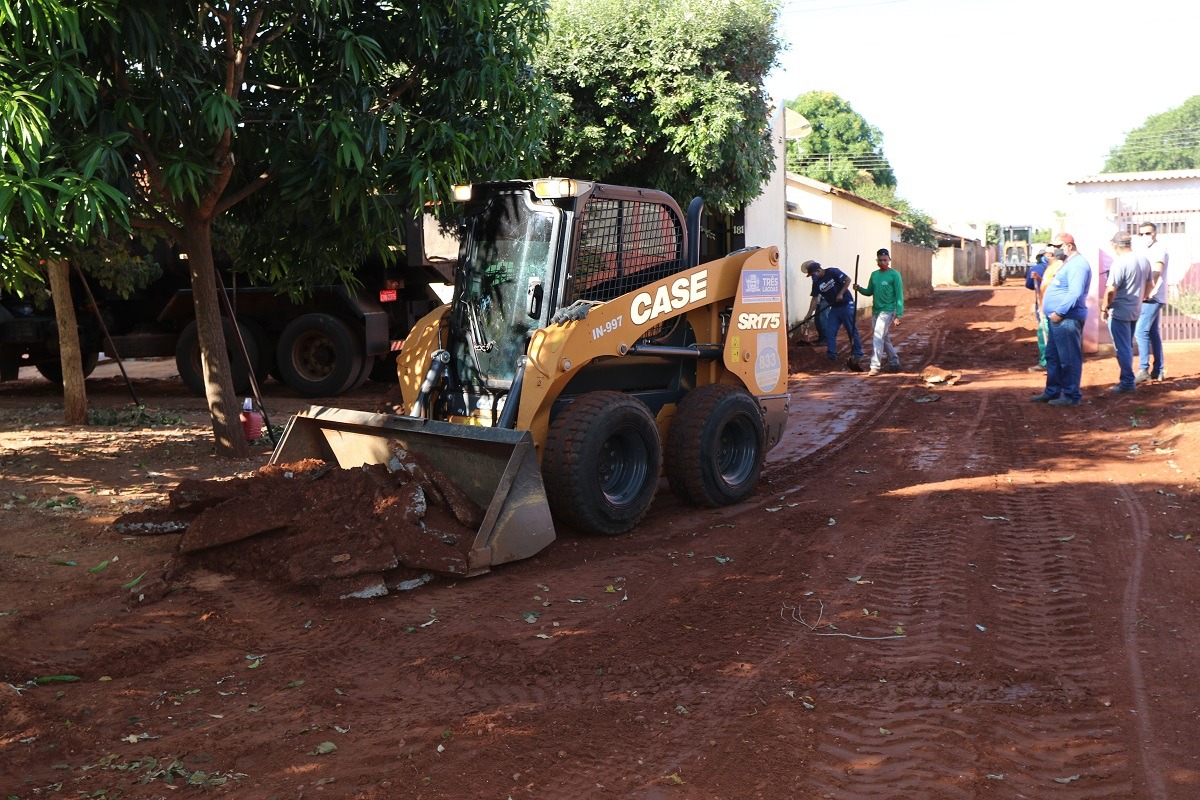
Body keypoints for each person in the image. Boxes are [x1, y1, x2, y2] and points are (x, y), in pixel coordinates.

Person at [1030, 233, 1091, 407]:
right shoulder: (1066, 264)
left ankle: (1071, 396)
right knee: (1053, 356)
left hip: (1067, 319)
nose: (1054, 251)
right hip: (1058, 320)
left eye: (1057, 247)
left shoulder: (1078, 265)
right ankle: (1052, 391)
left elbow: (1075, 292)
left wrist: (1059, 312)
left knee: (1069, 358)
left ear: (1069, 246)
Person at [1101, 232, 1150, 393]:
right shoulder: (1143, 260)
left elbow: (1111, 290)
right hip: (1135, 309)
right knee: (1127, 345)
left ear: (1115, 245)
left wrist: (1104, 307)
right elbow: (1151, 284)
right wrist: (1141, 299)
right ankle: (1127, 380)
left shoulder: (1120, 262)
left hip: (1120, 311)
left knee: (1122, 348)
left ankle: (1127, 382)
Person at [801, 260, 863, 367]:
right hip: (834, 307)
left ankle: (857, 353)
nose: (812, 277)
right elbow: (815, 299)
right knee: (830, 331)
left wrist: (840, 294)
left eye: (812, 274)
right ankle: (831, 355)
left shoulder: (833, 271)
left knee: (851, 330)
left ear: (818, 270)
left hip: (846, 304)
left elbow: (847, 280)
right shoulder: (816, 283)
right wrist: (809, 314)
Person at [853, 248, 904, 377]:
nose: (882, 262)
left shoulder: (894, 275)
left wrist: (898, 314)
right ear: (876, 260)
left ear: (889, 260)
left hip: (887, 311)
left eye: (884, 260)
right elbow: (870, 291)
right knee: (884, 337)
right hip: (876, 310)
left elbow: (899, 295)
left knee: (877, 336)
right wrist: (859, 289)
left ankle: (875, 365)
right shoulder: (874, 275)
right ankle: (894, 362)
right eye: (880, 260)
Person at [1134, 222, 1169, 382]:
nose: (1145, 237)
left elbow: (1156, 272)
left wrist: (1145, 293)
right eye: (1141, 234)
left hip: (1152, 297)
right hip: (1150, 296)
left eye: (1148, 233)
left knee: (1140, 331)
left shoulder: (1158, 249)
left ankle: (1143, 369)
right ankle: (1159, 369)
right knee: (1153, 332)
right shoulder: (1144, 250)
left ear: (1155, 233)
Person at [1025, 250, 1050, 370]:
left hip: (1044, 304)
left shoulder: (1036, 268)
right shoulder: (1059, 266)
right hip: (1056, 304)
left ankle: (1045, 362)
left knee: (1043, 331)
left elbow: (1029, 285)